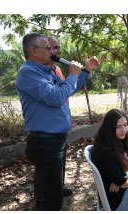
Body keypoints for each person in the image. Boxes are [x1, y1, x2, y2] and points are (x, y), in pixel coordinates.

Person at [16, 32, 99, 210]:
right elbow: (55, 97)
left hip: (54, 137)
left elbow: (67, 89)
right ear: (34, 51)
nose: (51, 51)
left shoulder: (47, 70)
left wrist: (85, 71)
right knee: (52, 197)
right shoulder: (28, 72)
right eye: (47, 48)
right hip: (44, 140)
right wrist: (73, 75)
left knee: (48, 184)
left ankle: (44, 201)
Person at [47, 36, 71, 196]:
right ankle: (50, 193)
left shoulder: (57, 69)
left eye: (58, 47)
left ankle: (59, 187)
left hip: (62, 123)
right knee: (49, 165)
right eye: (54, 47)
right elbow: (54, 97)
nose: (58, 51)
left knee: (61, 159)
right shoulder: (37, 72)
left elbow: (66, 91)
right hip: (49, 129)